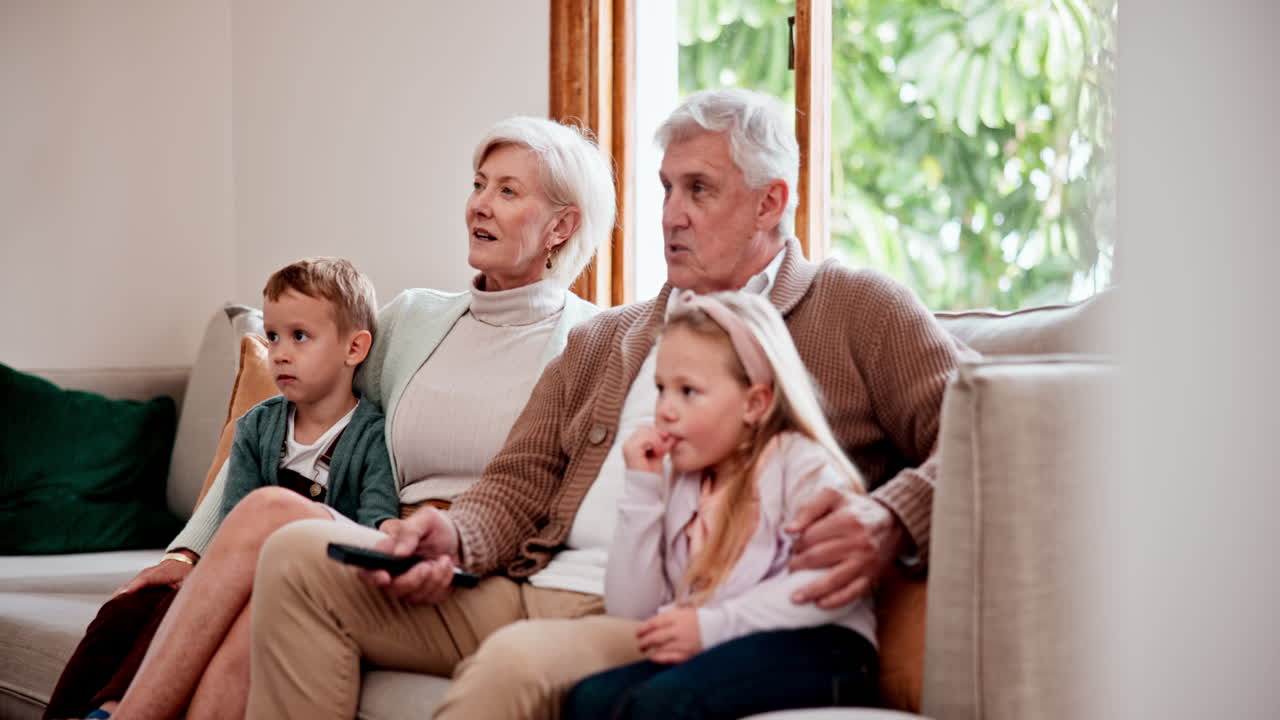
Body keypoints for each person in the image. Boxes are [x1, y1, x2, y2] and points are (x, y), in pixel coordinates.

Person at [244, 88, 970, 720]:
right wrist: (452, 537)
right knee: (301, 557)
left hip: (658, 610)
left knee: (514, 664)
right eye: (665, 190)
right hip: (526, 581)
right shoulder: (608, 336)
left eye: (699, 190)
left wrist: (892, 514)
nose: (672, 216)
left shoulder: (856, 309)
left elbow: (989, 436)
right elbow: (517, 479)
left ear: (771, 202)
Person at [43, 115, 615, 720]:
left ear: (562, 225)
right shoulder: (415, 318)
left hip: (473, 564)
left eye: (507, 191)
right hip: (379, 536)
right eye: (478, 184)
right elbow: (279, 419)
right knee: (260, 590)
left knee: (270, 518)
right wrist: (186, 554)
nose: (480, 205)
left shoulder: (590, 342)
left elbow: (565, 494)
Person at [563, 290, 880, 718]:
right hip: (730, 644)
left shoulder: (800, 463)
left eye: (688, 391)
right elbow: (631, 611)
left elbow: (828, 586)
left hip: (826, 643)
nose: (664, 411)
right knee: (588, 700)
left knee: (666, 703)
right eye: (661, 389)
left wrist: (710, 627)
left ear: (755, 403)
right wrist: (642, 489)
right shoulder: (684, 479)